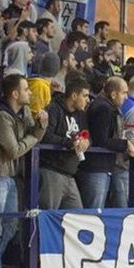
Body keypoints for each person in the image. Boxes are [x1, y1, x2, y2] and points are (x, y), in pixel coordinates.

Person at [0, 74, 47, 268]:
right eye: (26, 89)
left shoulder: (24, 111)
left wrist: (41, 125)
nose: (30, 92)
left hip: (10, 175)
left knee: (11, 223)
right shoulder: (1, 115)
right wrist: (34, 137)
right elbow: (14, 150)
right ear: (14, 94)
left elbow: (33, 135)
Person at [77, 77, 134, 208]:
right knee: (94, 211)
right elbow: (101, 140)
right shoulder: (103, 108)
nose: (126, 97)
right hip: (96, 167)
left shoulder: (106, 106)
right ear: (114, 94)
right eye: (124, 93)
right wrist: (125, 144)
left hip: (102, 166)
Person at [39, 74, 91, 209]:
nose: (88, 100)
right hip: (52, 171)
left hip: (71, 173)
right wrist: (69, 143)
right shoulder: (53, 109)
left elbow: (86, 135)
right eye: (85, 96)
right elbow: (46, 137)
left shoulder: (81, 114)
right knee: (49, 214)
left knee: (77, 215)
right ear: (74, 96)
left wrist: (86, 141)